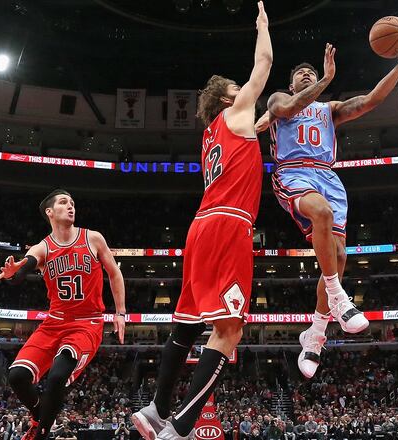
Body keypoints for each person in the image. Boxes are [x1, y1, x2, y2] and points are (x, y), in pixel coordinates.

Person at [130, 3, 272, 440]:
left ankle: (155, 409)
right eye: (239, 87)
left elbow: (258, 126)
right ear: (231, 97)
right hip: (230, 225)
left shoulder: (214, 130)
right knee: (228, 332)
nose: (246, 88)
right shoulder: (238, 108)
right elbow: (264, 63)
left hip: (201, 226)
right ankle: (181, 427)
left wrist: (281, 114)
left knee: (188, 323)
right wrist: (263, 27)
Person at [261, 27, 398, 378]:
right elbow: (288, 108)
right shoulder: (277, 101)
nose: (307, 74)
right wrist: (326, 78)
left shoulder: (329, 109)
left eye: (311, 73)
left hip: (328, 176)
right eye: (301, 74)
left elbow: (372, 100)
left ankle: (315, 335)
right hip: (293, 172)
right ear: (291, 83)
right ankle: (338, 297)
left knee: (340, 255)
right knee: (321, 213)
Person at [0, 189, 126, 440]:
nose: (71, 206)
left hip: (86, 323)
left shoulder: (93, 238)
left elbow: (115, 273)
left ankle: (41, 432)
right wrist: (15, 272)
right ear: (50, 212)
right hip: (54, 322)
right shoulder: (42, 247)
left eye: (73, 203)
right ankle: (38, 417)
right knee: (17, 375)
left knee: (57, 376)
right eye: (64, 202)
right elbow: (27, 265)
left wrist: (120, 312)